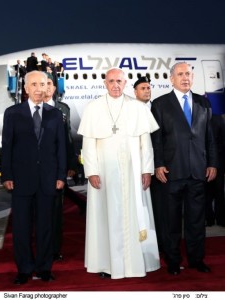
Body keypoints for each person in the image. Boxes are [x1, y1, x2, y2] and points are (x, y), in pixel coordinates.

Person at [78, 68, 160, 279]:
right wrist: (92, 171)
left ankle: (136, 264)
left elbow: (145, 142)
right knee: (106, 217)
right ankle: (107, 264)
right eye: (111, 81)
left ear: (125, 84)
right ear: (105, 83)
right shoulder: (94, 107)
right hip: (105, 173)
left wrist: (147, 169)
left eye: (120, 81)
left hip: (134, 173)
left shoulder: (137, 107)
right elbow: (88, 144)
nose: (116, 85)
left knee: (135, 214)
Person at [151, 62, 217, 275]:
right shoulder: (160, 104)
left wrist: (213, 163)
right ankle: (172, 260)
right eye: (180, 74)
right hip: (170, 172)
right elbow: (157, 139)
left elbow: (210, 138)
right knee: (170, 220)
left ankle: (197, 259)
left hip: (198, 172)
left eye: (188, 73)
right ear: (171, 79)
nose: (185, 77)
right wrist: (158, 164)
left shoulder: (203, 103)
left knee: (196, 220)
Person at [1, 71, 66, 285]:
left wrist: (60, 175)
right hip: (21, 180)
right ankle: (24, 269)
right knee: (21, 228)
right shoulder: (12, 113)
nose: (40, 88)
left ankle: (44, 268)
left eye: (43, 84)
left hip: (48, 179)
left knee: (46, 227)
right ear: (26, 88)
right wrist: (7, 174)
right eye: (34, 84)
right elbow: (8, 146)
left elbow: (61, 149)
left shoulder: (55, 114)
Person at [43, 73, 80, 261]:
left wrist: (71, 163)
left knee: (57, 211)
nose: (47, 87)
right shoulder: (31, 108)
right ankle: (42, 247)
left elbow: (67, 138)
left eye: (50, 83)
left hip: (57, 168)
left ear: (55, 87)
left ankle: (55, 249)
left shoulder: (63, 109)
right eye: (44, 84)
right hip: (37, 168)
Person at [134, 76, 165, 254]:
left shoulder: (157, 108)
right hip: (140, 167)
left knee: (160, 208)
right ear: (135, 92)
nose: (147, 91)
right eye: (143, 88)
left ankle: (159, 244)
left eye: (148, 88)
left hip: (158, 166)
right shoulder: (131, 109)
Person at [205, 114, 225, 226]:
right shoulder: (218, 118)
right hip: (203, 163)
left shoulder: (217, 119)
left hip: (218, 163)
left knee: (217, 193)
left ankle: (217, 219)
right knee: (209, 193)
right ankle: (212, 219)